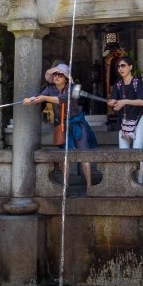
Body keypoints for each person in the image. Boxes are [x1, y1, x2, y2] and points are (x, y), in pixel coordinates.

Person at [25, 62, 96, 193]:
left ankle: (90, 186)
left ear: (66, 77)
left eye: (60, 74)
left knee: (84, 154)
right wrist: (31, 100)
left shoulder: (75, 88)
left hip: (77, 123)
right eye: (55, 74)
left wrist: (43, 98)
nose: (56, 77)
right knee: (65, 156)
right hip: (62, 124)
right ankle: (65, 187)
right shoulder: (50, 88)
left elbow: (63, 99)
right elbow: (39, 97)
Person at [108, 56, 143, 180]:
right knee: (123, 154)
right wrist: (112, 102)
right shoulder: (118, 85)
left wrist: (124, 101)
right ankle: (127, 183)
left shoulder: (137, 82)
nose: (120, 68)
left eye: (123, 65)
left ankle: (139, 183)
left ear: (130, 67)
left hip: (138, 120)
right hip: (123, 122)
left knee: (137, 152)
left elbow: (142, 102)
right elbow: (114, 102)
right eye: (119, 66)